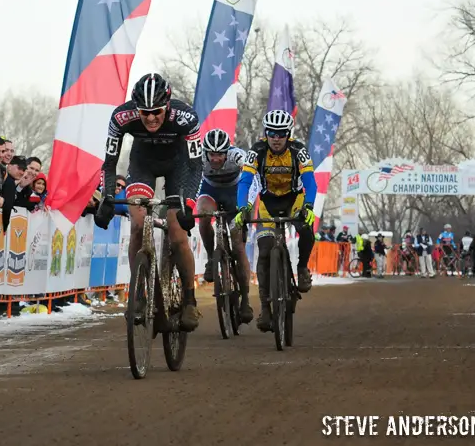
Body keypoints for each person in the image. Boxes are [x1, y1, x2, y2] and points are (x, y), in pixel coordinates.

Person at [94, 72, 203, 332]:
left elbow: (196, 166)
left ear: (167, 105)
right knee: (138, 224)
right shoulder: (122, 116)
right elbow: (109, 163)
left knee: (177, 236)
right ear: (136, 109)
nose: (151, 118)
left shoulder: (186, 117)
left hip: (179, 168)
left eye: (157, 111)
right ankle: (139, 294)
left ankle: (189, 299)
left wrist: (188, 203)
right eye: (145, 112)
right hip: (143, 165)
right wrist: (107, 197)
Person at [235, 109, 317, 333]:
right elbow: (244, 182)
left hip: (294, 199)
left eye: (281, 133)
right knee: (264, 251)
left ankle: (301, 268)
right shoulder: (257, 151)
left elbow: (311, 182)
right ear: (266, 133)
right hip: (268, 203)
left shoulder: (298, 151)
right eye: (272, 133)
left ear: (288, 134)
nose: (276, 138)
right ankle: (265, 308)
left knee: (307, 228)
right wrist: (243, 207)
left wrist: (308, 206)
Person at [194, 128, 253, 324]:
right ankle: (212, 258)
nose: (217, 158)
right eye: (212, 154)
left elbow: (252, 174)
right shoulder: (199, 157)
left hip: (234, 192)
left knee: (238, 246)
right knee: (203, 214)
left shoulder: (237, 156)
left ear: (227, 152)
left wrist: (247, 203)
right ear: (206, 152)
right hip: (210, 189)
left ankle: (245, 300)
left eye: (220, 154)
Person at [0, 155, 38, 231]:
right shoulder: (3, 176)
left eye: (24, 170)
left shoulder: (24, 186)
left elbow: (27, 204)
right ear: (9, 166)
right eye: (19, 168)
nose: (22, 172)